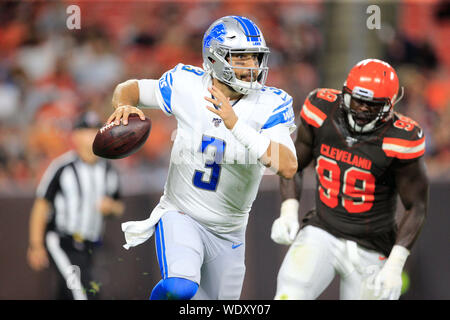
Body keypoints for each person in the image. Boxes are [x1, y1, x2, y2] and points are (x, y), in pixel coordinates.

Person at [107, 15, 297, 300]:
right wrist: (123, 105)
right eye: (241, 58)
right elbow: (130, 88)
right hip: (182, 214)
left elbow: (288, 165)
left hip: (230, 232)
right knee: (179, 288)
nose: (252, 67)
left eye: (255, 58)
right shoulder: (187, 84)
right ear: (216, 57)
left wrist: (236, 125)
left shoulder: (271, 103)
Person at [271, 59, 429, 300]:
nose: (363, 108)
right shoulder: (321, 109)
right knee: (289, 294)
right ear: (345, 92)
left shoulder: (401, 138)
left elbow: (416, 206)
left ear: (390, 105)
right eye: (358, 100)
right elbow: (293, 164)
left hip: (372, 245)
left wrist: (396, 263)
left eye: (372, 104)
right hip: (322, 231)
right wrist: (289, 210)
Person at [27, 111, 125, 300]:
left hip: (90, 246)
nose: (91, 135)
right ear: (75, 136)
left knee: (70, 293)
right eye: (86, 131)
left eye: (96, 130)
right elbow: (41, 205)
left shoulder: (108, 170)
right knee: (83, 293)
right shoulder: (62, 167)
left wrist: (110, 207)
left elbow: (119, 206)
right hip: (62, 241)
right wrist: (36, 244)